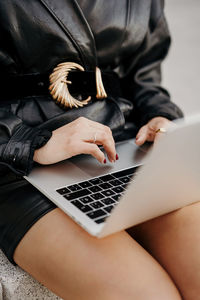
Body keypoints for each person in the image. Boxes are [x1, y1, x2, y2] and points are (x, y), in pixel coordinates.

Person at [0, 1, 199, 299]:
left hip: (125, 146)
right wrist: (31, 142)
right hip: (20, 168)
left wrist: (159, 116)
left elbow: (142, 76)